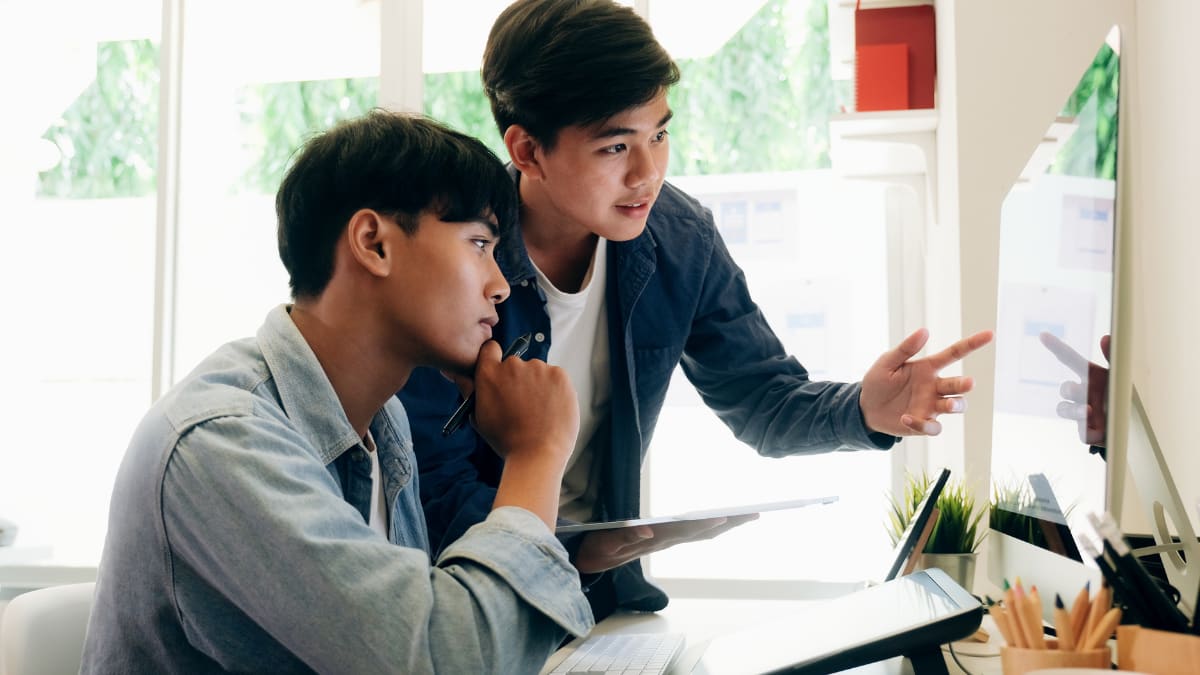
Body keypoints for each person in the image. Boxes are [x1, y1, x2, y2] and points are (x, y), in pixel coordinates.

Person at [397, 0, 994, 620]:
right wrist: (573, 549)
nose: (647, 173)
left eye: (659, 134)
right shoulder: (453, 262)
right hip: (468, 605)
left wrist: (865, 411)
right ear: (527, 151)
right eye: (614, 147)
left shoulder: (680, 238)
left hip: (603, 606)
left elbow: (764, 401)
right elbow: (431, 490)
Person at [81, 111, 593, 673]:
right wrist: (536, 452)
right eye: (478, 244)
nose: (499, 287)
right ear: (373, 243)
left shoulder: (383, 421)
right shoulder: (221, 443)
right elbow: (447, 659)